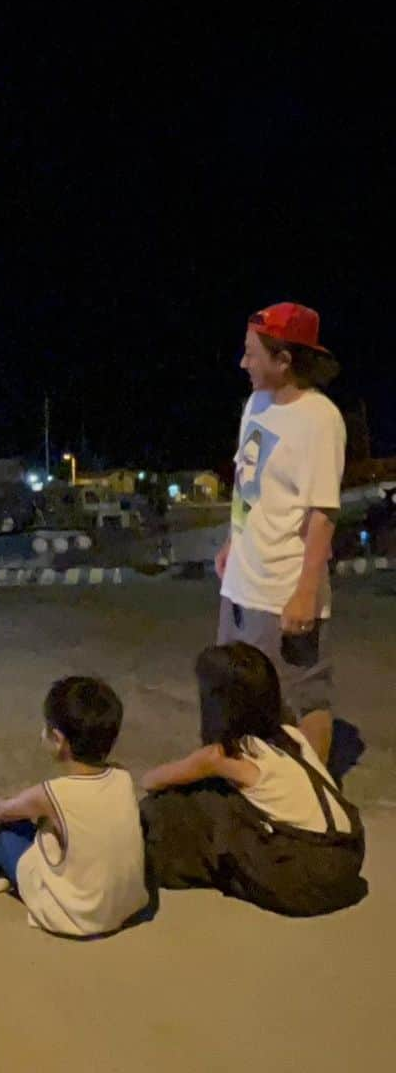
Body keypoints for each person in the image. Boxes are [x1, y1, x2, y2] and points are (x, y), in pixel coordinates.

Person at [141, 642, 366, 916]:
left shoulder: (229, 756)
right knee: (227, 801)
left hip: (309, 877)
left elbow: (150, 781)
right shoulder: (292, 737)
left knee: (181, 806)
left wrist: (201, 767)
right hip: (349, 854)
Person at [215, 302, 345, 762]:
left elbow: (322, 512)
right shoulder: (256, 403)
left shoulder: (319, 418)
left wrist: (306, 591)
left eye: (253, 353)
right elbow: (249, 483)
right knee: (236, 691)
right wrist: (233, 540)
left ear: (284, 359)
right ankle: (256, 793)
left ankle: (315, 804)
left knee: (302, 698)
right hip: (242, 583)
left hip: (285, 586)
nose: (243, 362)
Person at [0, 677, 149, 938]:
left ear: (57, 739)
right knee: (37, 823)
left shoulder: (51, 795)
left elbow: (0, 810)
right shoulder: (122, 778)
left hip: (76, 913)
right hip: (123, 905)